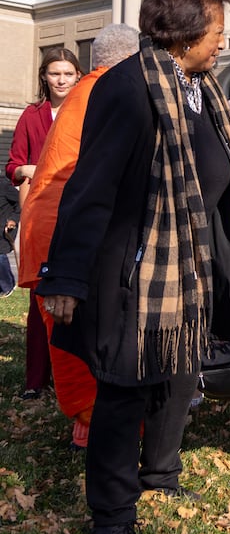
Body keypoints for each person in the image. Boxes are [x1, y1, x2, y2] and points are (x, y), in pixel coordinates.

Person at [36, 0, 230, 534]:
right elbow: (92, 184)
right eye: (217, 32)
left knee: (179, 374)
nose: (223, 42)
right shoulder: (129, 87)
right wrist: (66, 274)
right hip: (136, 267)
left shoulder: (201, 87)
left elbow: (211, 157)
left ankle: (160, 472)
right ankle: (112, 517)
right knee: (125, 388)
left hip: (192, 263)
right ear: (185, 35)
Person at [19, 24, 140, 450]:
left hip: (48, 231)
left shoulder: (81, 94)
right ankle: (93, 423)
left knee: (69, 335)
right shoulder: (109, 94)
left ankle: (87, 421)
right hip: (71, 235)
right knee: (84, 332)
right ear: (129, 59)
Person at [5, 46, 82, 398]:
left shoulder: (88, 111)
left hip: (80, 211)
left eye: (68, 73)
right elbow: (13, 164)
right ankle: (37, 380)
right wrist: (25, 169)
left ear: (78, 75)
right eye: (55, 73)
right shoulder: (32, 116)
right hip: (39, 213)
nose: (62, 80)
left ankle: (76, 377)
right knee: (40, 295)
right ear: (44, 77)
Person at [0, 176, 19, 296]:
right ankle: (8, 284)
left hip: (3, 228)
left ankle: (7, 287)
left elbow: (21, 203)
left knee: (0, 256)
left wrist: (13, 219)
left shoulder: (4, 186)